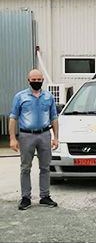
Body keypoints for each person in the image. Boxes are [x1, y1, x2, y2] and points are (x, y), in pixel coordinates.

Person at [8, 69, 59, 210]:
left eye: (39, 80)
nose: (36, 82)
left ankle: (45, 196)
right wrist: (12, 138)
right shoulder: (20, 97)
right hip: (26, 136)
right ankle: (25, 198)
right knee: (25, 167)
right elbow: (13, 117)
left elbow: (54, 117)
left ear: (42, 80)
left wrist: (56, 137)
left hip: (44, 135)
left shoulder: (48, 96)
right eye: (34, 80)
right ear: (28, 80)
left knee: (45, 167)